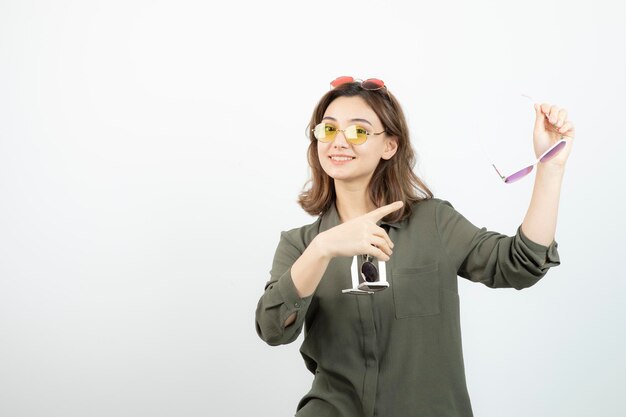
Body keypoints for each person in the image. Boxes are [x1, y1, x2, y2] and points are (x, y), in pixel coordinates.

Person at [255, 76, 574, 417]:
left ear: (389, 145)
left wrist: (550, 168)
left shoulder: (434, 222)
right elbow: (273, 329)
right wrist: (322, 249)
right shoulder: (302, 244)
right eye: (329, 130)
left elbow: (520, 264)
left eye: (359, 131)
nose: (339, 142)